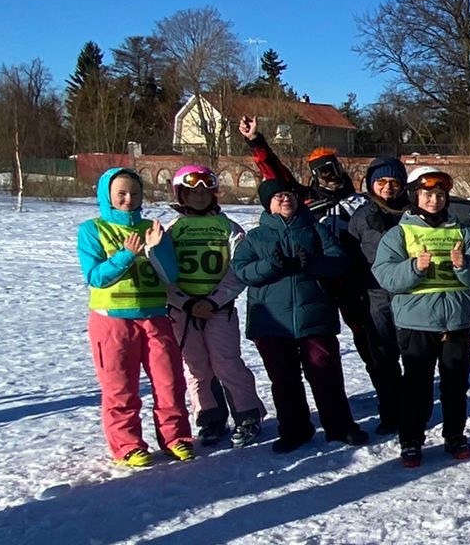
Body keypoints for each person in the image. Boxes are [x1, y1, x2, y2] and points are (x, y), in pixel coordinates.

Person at [233, 178, 364, 453]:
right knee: (283, 379)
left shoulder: (315, 229)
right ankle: (294, 430)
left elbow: (339, 261)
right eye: (277, 196)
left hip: (314, 316)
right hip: (271, 322)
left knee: (326, 373)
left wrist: (315, 263)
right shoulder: (255, 237)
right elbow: (242, 271)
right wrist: (270, 265)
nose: (285, 199)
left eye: (289, 194)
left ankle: (340, 426)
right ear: (267, 204)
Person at [371, 166, 470, 466]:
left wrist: (464, 265)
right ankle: (411, 439)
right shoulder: (399, 233)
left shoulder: (463, 231)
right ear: (414, 196)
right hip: (416, 322)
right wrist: (414, 267)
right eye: (427, 194)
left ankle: (454, 435)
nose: (435, 200)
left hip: (456, 321)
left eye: (440, 195)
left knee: (455, 384)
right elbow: (384, 275)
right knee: (416, 386)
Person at [77, 168, 195, 467]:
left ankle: (176, 438)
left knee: (169, 382)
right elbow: (96, 277)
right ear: (108, 196)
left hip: (155, 317)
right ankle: (127, 445)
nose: (129, 199)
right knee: (120, 386)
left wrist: (156, 250)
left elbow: (170, 276)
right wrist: (126, 255)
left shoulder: (152, 228)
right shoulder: (93, 230)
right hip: (112, 321)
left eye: (135, 193)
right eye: (121, 194)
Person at [158, 165, 266, 447]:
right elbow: (161, 271)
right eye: (192, 192)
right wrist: (186, 302)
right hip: (184, 311)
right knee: (196, 366)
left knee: (226, 362)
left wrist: (214, 300)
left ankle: (248, 415)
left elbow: (238, 269)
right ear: (181, 194)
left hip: (219, 309)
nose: (199, 196)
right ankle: (210, 417)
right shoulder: (172, 229)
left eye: (205, 191)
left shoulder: (229, 227)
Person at [346, 157, 411, 433]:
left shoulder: (415, 211)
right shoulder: (361, 217)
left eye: (394, 182)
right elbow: (351, 258)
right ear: (372, 184)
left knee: (414, 355)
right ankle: (391, 413)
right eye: (381, 182)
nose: (388, 188)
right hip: (375, 295)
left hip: (411, 293)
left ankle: (413, 410)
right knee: (383, 358)